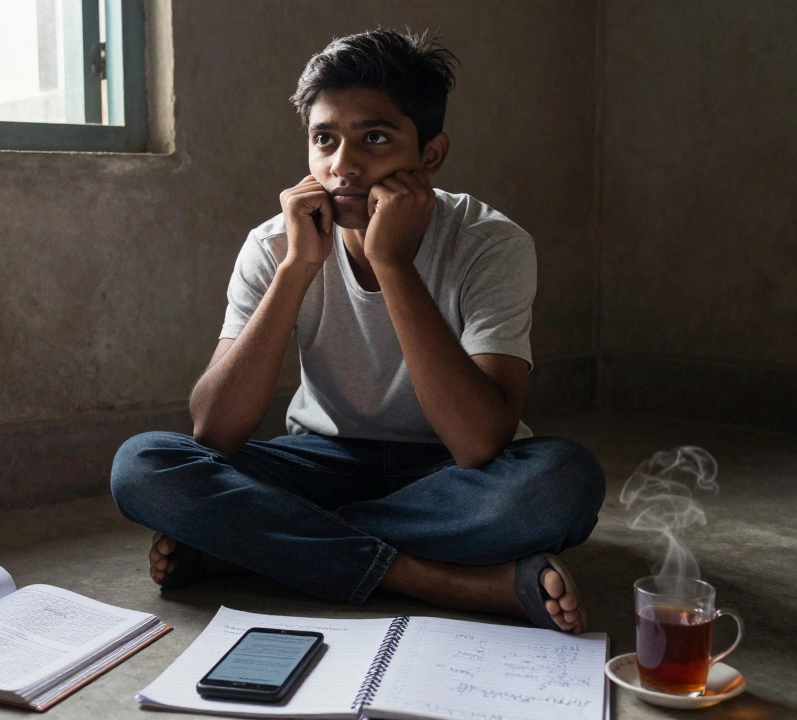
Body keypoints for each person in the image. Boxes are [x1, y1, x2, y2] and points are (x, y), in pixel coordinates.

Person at [109, 29, 605, 633]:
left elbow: (478, 442)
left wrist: (392, 263)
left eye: (374, 138)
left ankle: (257, 544)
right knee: (143, 466)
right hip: (321, 458)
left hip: (453, 474)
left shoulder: (491, 244)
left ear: (430, 154)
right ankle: (437, 579)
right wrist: (297, 268)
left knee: (561, 484)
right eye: (324, 140)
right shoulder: (274, 244)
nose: (342, 166)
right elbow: (216, 429)